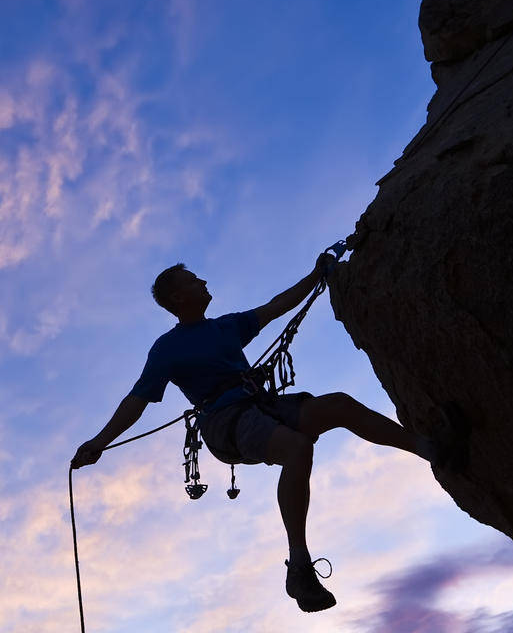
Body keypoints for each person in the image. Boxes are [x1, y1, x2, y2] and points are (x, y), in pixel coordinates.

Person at [71, 257, 462, 613]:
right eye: (193, 280)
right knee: (296, 447)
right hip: (225, 422)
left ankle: (429, 448)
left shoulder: (226, 326)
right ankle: (299, 563)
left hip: (259, 406)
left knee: (339, 405)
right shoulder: (167, 349)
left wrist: (315, 275)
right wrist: (99, 442)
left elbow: (276, 307)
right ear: (177, 296)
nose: (204, 281)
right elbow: (137, 400)